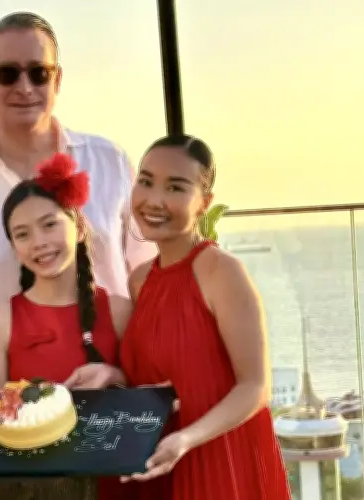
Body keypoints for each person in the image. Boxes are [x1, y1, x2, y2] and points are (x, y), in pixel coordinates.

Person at [0, 10, 155, 355]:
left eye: (39, 73)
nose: (25, 88)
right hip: (9, 384)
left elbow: (147, 273)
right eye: (7, 74)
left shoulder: (110, 161)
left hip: (115, 377)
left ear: (57, 79)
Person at [0, 153, 131, 499]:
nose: (39, 242)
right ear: (14, 248)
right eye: (22, 234)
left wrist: (113, 375)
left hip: (111, 485)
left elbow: (147, 404)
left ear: (78, 226)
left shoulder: (119, 310)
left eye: (49, 224)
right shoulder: (1, 321)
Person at [117, 135, 290, 498]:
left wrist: (187, 439)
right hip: (159, 459)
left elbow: (255, 387)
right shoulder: (140, 280)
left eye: (175, 187)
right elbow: (158, 379)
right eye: (146, 182)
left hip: (217, 458)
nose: (154, 200)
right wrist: (112, 375)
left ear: (204, 203)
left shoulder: (221, 271)